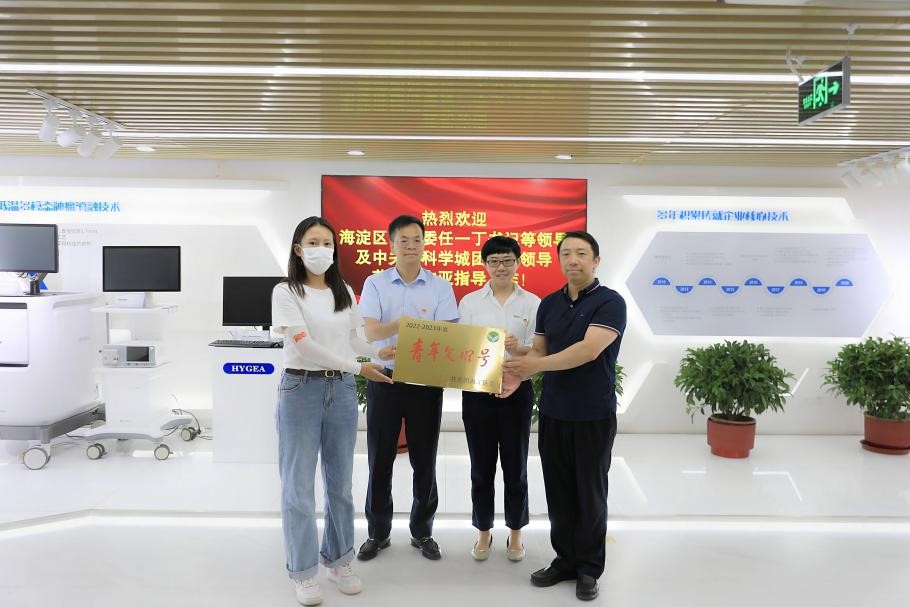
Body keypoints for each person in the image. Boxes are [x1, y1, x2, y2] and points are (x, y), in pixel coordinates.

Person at [271, 216, 396, 606]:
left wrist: (379, 352)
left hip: (340, 390)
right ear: (298, 249)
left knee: (340, 484)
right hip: (300, 389)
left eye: (327, 243)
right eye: (313, 242)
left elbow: (354, 340)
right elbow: (304, 345)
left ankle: (339, 560)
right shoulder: (286, 291)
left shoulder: (343, 290)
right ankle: (303, 572)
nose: (321, 249)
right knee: (298, 488)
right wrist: (358, 368)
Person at [503, 231, 625, 602]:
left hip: (592, 413)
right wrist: (515, 363)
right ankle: (565, 560)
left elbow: (587, 351)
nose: (573, 260)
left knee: (590, 492)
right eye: (566, 254)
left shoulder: (610, 302)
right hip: (554, 411)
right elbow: (540, 350)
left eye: (581, 253)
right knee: (558, 491)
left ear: (596, 260)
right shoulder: (550, 303)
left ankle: (588, 568)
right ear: (559, 261)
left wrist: (533, 366)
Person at [356, 214, 459, 562]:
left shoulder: (440, 287)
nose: (411, 246)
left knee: (425, 459)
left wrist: (412, 336)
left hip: (425, 383)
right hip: (384, 378)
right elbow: (371, 331)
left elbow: (448, 336)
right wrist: (402, 325)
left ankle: (422, 530)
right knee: (379, 458)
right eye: (404, 240)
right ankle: (377, 532)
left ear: (424, 244)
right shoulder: (375, 283)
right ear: (392, 244)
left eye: (417, 240)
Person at [457, 236, 539, 562]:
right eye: (494, 261)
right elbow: (463, 348)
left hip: (518, 392)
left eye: (507, 260)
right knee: (481, 467)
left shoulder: (532, 303)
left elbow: (539, 351)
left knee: (516, 467)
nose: (501, 267)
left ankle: (516, 534)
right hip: (478, 393)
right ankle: (483, 532)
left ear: (517, 263)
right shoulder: (470, 303)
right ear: (485, 265)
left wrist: (519, 350)